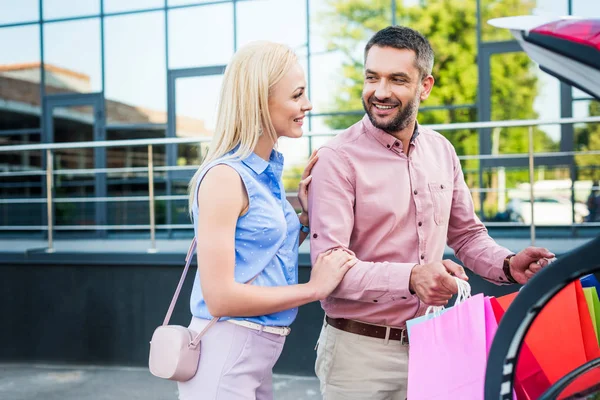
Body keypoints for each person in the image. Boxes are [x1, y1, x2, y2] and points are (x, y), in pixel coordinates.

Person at [307, 26, 555, 400]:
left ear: (425, 86)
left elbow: (468, 235)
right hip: (359, 357)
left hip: (436, 347)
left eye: (397, 79)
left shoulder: (442, 150)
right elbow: (330, 269)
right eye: (372, 77)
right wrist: (412, 277)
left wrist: (507, 264)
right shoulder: (336, 160)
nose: (380, 91)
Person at [178, 41, 357, 400]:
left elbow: (261, 251)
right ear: (260, 100)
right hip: (226, 351)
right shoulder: (225, 178)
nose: (307, 105)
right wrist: (314, 289)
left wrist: (303, 221)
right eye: (297, 95)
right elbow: (219, 298)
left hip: (254, 355)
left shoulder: (264, 172)